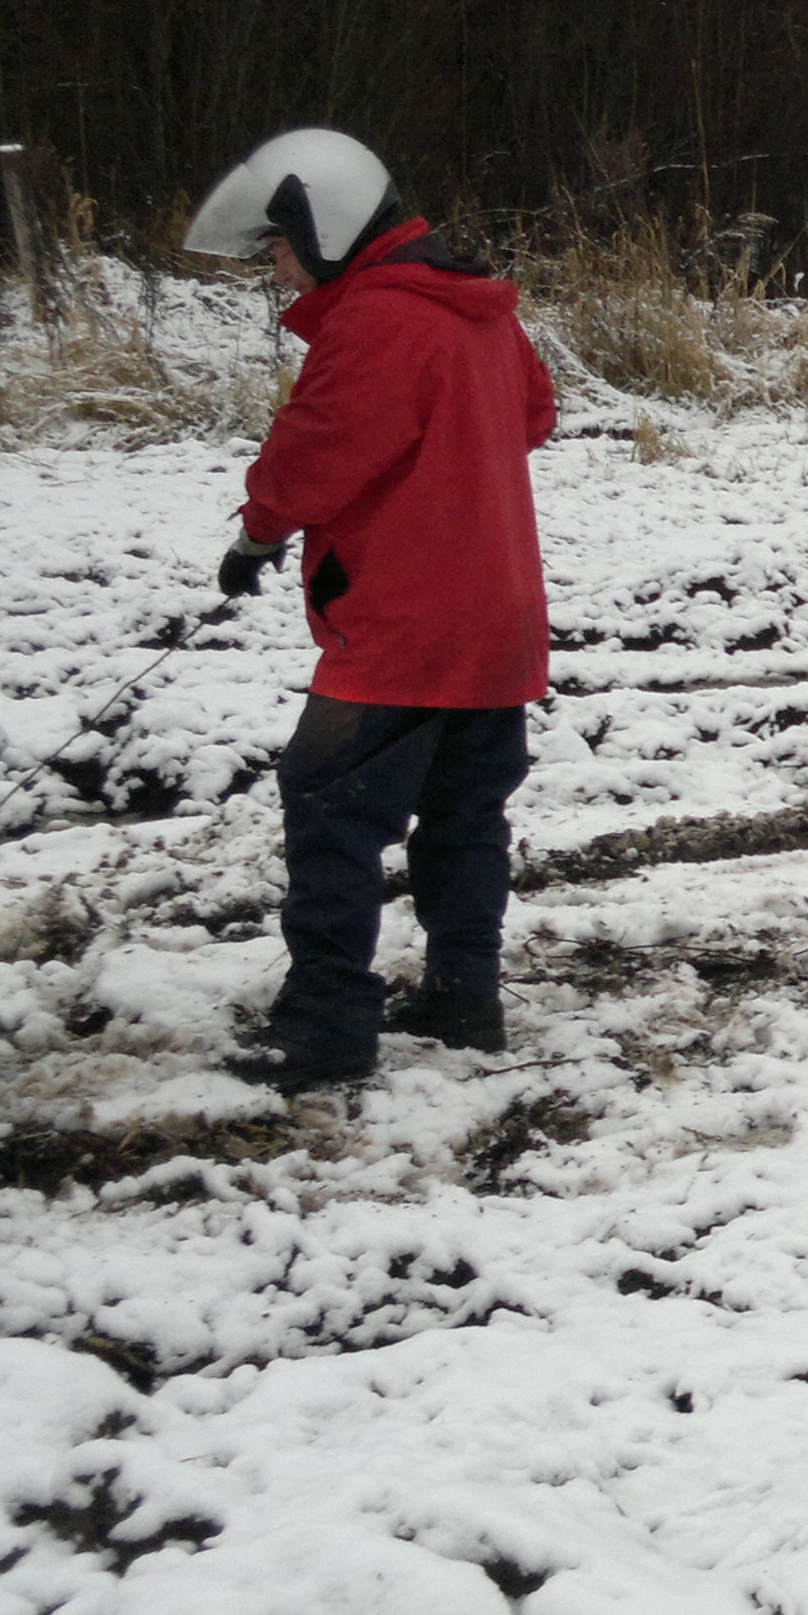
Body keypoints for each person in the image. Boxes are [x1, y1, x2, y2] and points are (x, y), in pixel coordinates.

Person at [180, 128, 556, 1090]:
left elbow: (314, 454)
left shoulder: (380, 318)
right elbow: (534, 414)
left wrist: (255, 535)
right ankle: (465, 998)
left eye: (277, 247)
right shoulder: (478, 308)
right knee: (465, 818)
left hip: (400, 626)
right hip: (497, 620)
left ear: (325, 223)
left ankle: (326, 1029)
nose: (276, 270)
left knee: (331, 814)